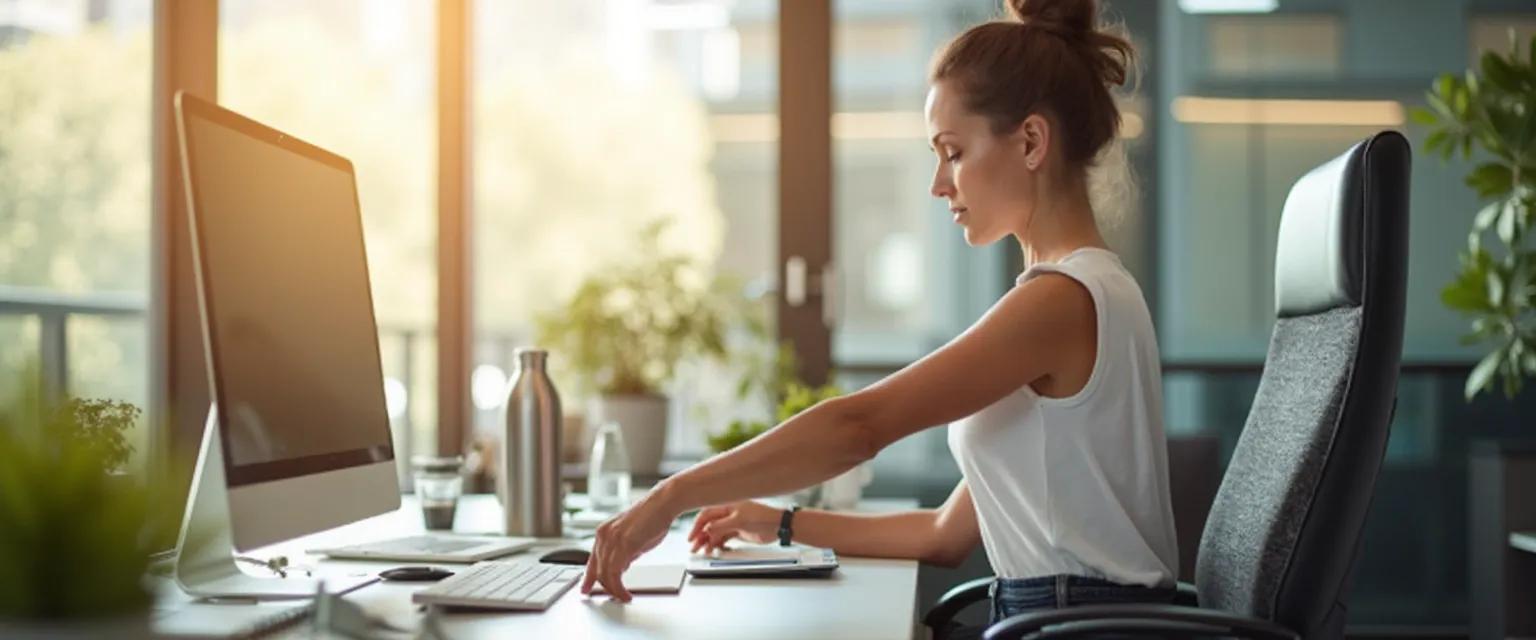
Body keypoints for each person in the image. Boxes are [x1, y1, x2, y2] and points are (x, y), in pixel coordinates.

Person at [582, 0, 1179, 630]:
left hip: (1073, 627)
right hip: (1071, 618)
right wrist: (778, 523)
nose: (939, 184)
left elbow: (857, 428)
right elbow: (945, 534)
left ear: (1031, 141)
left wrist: (671, 495)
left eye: (952, 152)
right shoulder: (1094, 289)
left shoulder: (1059, 302)